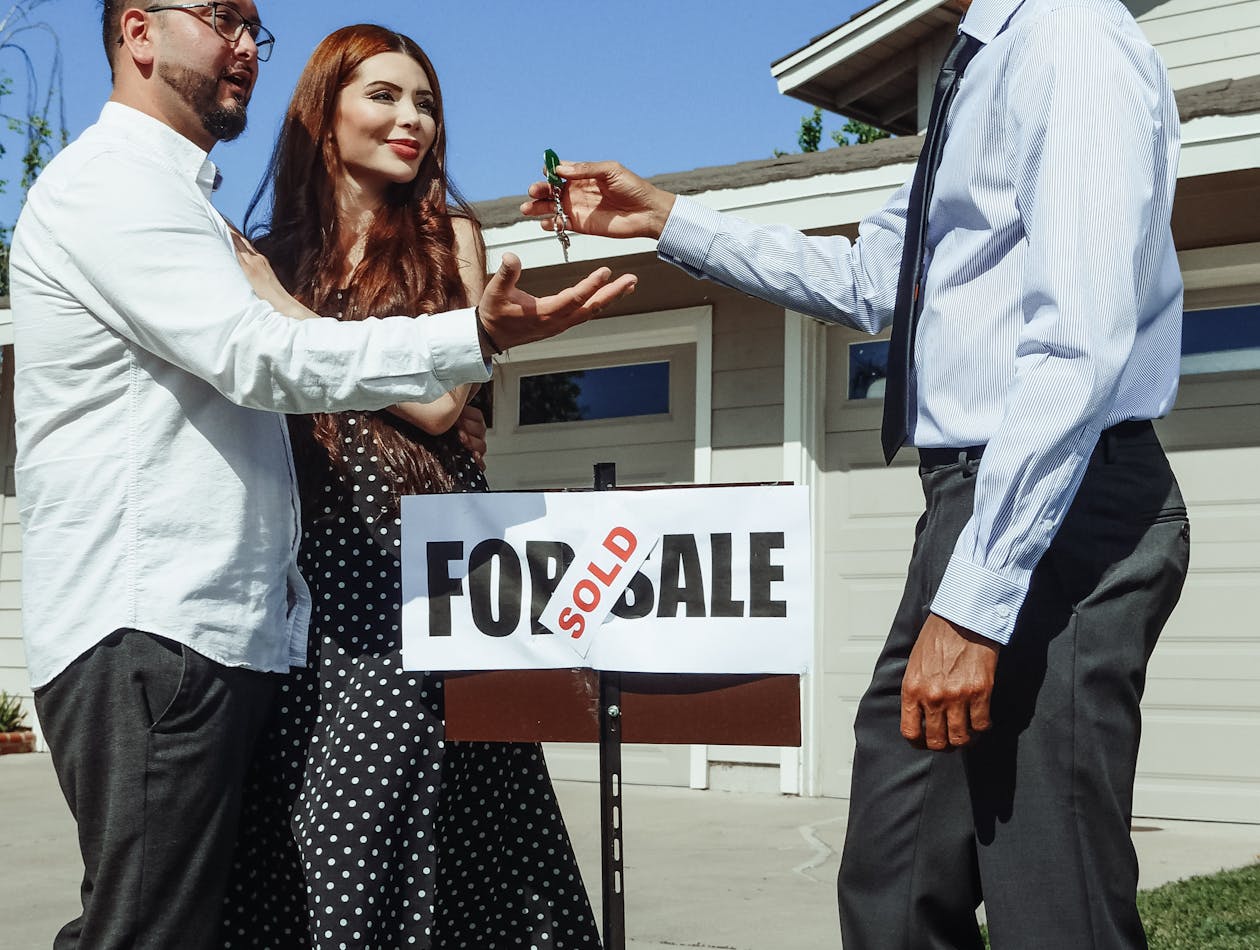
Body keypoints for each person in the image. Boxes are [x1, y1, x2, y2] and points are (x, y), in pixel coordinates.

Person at [521, 0, 1189, 946]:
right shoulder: (976, 66)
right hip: (974, 507)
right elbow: (875, 281)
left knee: (1053, 900)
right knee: (897, 876)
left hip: (1059, 511)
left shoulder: (1069, 35)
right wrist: (666, 220)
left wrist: (972, 605)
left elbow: (1078, 345)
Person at [8, 2, 633, 948]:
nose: (248, 45)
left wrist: (416, 330)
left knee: (194, 913)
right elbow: (250, 356)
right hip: (191, 620)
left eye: (260, 27)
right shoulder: (133, 193)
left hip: (337, 602)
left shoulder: (241, 220)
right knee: (166, 918)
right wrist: (445, 335)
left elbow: (422, 403)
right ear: (139, 32)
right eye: (223, 19)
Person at [218, 25, 600, 949]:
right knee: (311, 839)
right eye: (385, 96)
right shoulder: (278, 249)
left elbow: (437, 402)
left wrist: (275, 302)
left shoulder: (447, 237)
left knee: (420, 833)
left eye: (425, 102)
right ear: (325, 111)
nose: (412, 119)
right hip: (309, 583)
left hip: (424, 575)